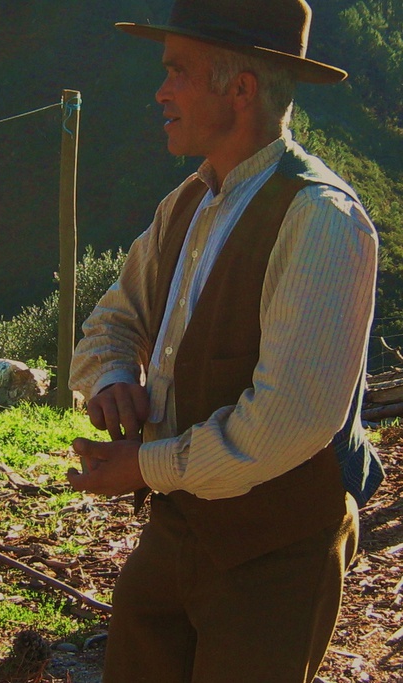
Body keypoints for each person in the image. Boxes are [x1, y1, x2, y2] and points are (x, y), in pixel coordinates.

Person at [65, 1, 383, 681]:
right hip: (177, 531)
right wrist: (115, 375)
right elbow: (110, 322)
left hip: (275, 554)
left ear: (240, 90)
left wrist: (140, 466)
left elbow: (280, 427)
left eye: (178, 70)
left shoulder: (323, 223)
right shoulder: (187, 203)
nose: (160, 90)